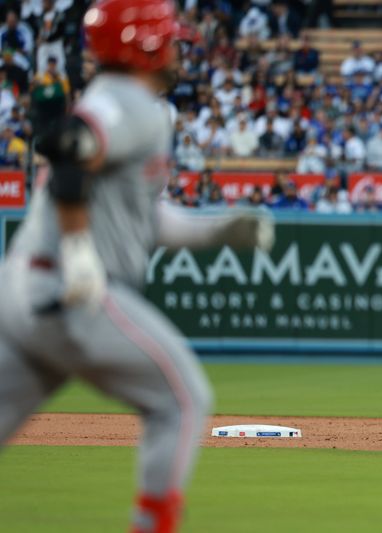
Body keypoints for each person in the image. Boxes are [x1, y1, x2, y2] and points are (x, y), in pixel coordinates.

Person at [0, 2, 275, 532]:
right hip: (69, 288)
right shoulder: (128, 101)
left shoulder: (124, 102)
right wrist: (79, 250)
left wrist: (215, 230)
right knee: (183, 399)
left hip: (19, 291)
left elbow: (145, 218)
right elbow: (65, 143)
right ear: (145, 46)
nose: (177, 49)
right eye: (168, 40)